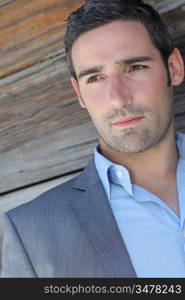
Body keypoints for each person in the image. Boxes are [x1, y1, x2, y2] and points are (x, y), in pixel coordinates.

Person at [1, 0, 185, 278]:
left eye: (135, 68)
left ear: (173, 68)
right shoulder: (31, 232)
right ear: (78, 93)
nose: (118, 98)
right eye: (95, 78)